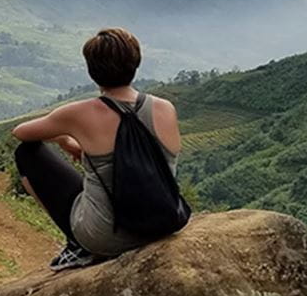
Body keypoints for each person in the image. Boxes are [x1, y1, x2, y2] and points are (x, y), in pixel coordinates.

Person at [12, 27, 184, 271]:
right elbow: (136, 165)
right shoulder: (165, 108)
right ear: (135, 63)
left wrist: (63, 139)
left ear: (92, 71)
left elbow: (20, 133)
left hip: (105, 237)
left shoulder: (80, 113)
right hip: (164, 223)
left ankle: (76, 243)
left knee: (26, 153)